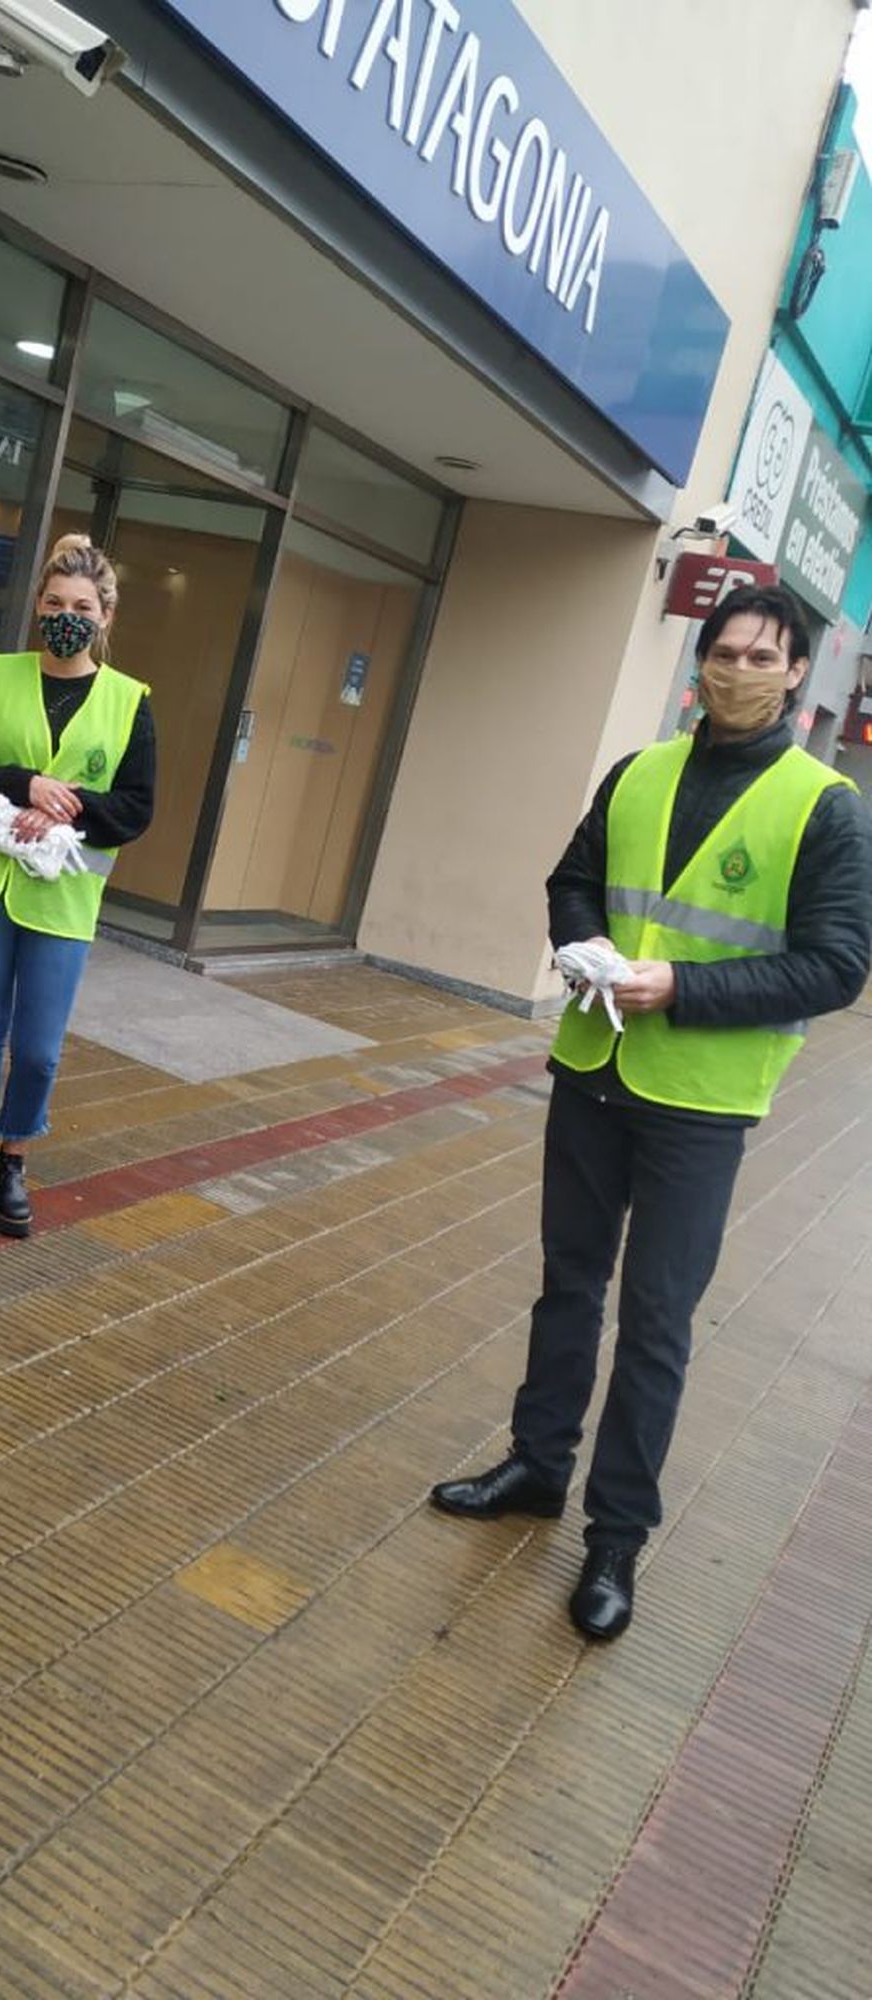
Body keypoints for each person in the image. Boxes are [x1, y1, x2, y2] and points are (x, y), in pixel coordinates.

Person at [431, 584, 872, 1639]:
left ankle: (616, 1536)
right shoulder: (640, 769)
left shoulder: (824, 804)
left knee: (657, 1323)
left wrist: (682, 986)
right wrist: (584, 945)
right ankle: (538, 1465)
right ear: (701, 658)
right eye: (723, 650)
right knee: (567, 1286)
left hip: (702, 1104)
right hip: (594, 1066)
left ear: (796, 671)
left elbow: (838, 964)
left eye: (762, 656)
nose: (737, 670)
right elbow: (571, 878)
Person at [0, 532, 155, 1237]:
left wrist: (62, 808)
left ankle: (14, 1159)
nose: (66, 614)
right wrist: (23, 784)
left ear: (105, 616)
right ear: (37, 607)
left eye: (81, 605)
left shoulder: (128, 701)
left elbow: (137, 808)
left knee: (39, 1048)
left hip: (63, 900)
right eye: (54, 602)